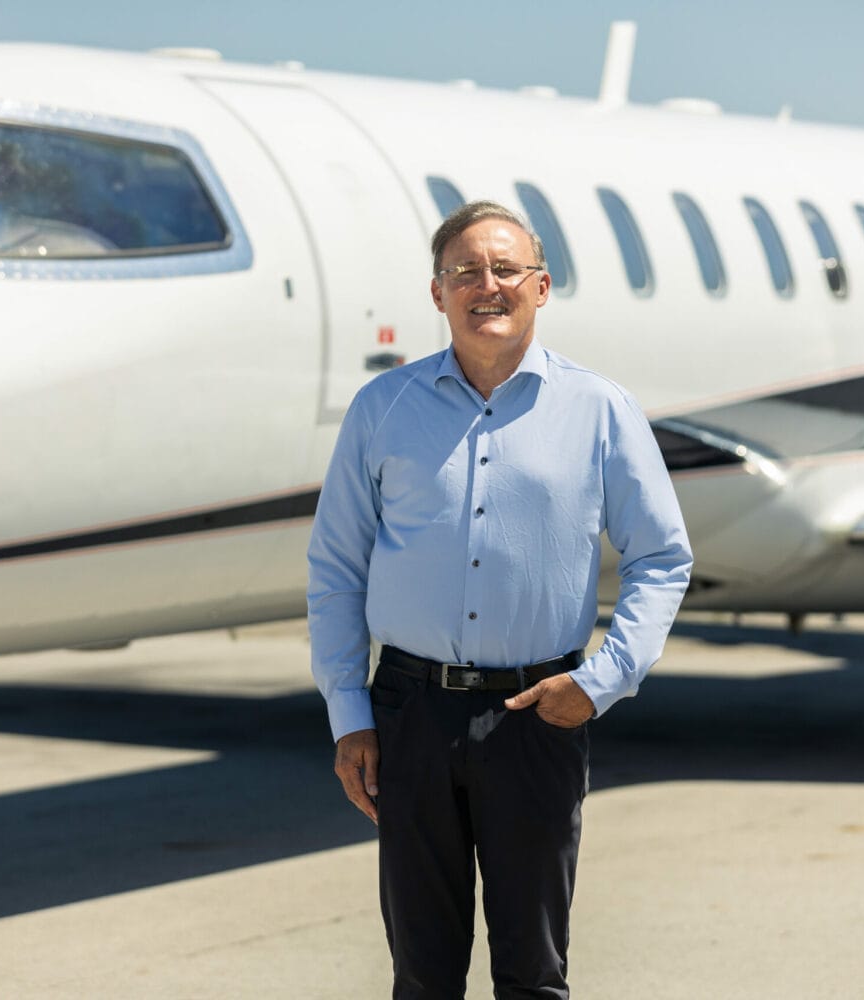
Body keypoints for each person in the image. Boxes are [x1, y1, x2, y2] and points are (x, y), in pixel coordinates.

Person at [307, 200, 692, 999]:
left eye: (505, 269)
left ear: (541, 286)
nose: (487, 285)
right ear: (438, 292)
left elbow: (661, 557)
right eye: (464, 272)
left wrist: (601, 681)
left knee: (534, 972)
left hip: (538, 713)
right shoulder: (383, 411)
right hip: (408, 714)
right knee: (421, 971)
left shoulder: (600, 410)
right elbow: (337, 570)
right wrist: (350, 717)